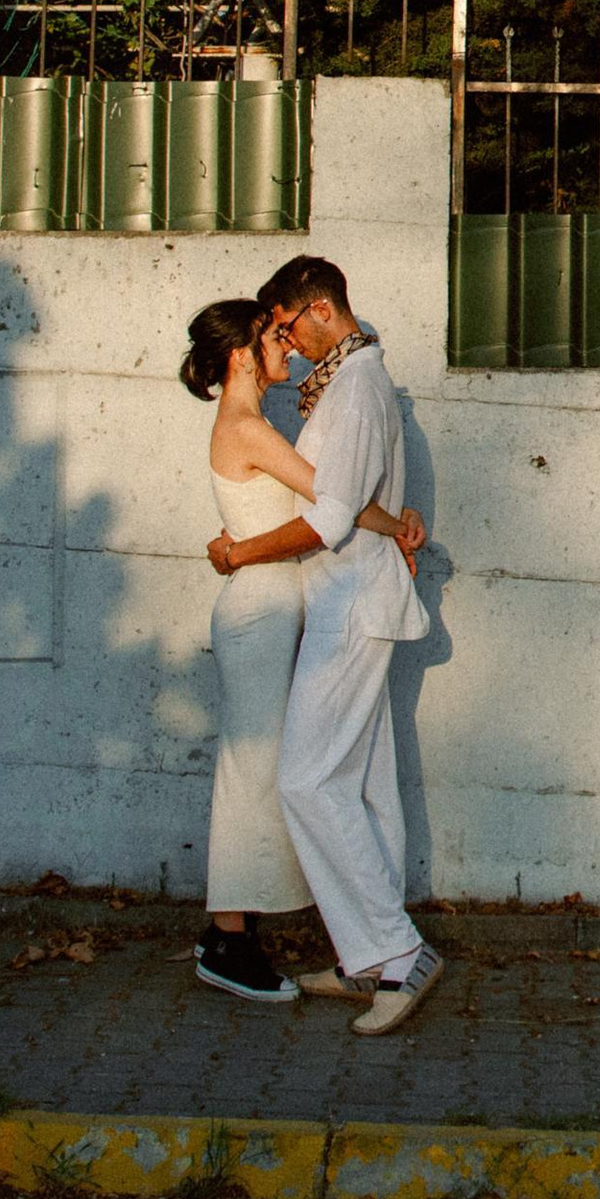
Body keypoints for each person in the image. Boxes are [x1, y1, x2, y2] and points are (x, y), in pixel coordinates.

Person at [180, 299, 422, 1005]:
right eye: (270, 337)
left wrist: (396, 529)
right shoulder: (248, 427)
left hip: (269, 608)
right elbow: (333, 502)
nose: (283, 345)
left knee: (266, 769)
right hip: (257, 611)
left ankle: (233, 935)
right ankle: (227, 942)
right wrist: (387, 526)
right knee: (251, 770)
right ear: (239, 355)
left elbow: (335, 502)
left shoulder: (253, 425)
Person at [243, 254, 444, 1035]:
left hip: (352, 607)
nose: (286, 345)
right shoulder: (355, 379)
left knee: (306, 781)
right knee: (361, 785)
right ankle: (371, 958)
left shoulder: (357, 389)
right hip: (354, 598)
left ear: (322, 308)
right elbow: (357, 503)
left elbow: (329, 518)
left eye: (289, 326)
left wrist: (239, 553)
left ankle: (397, 951)